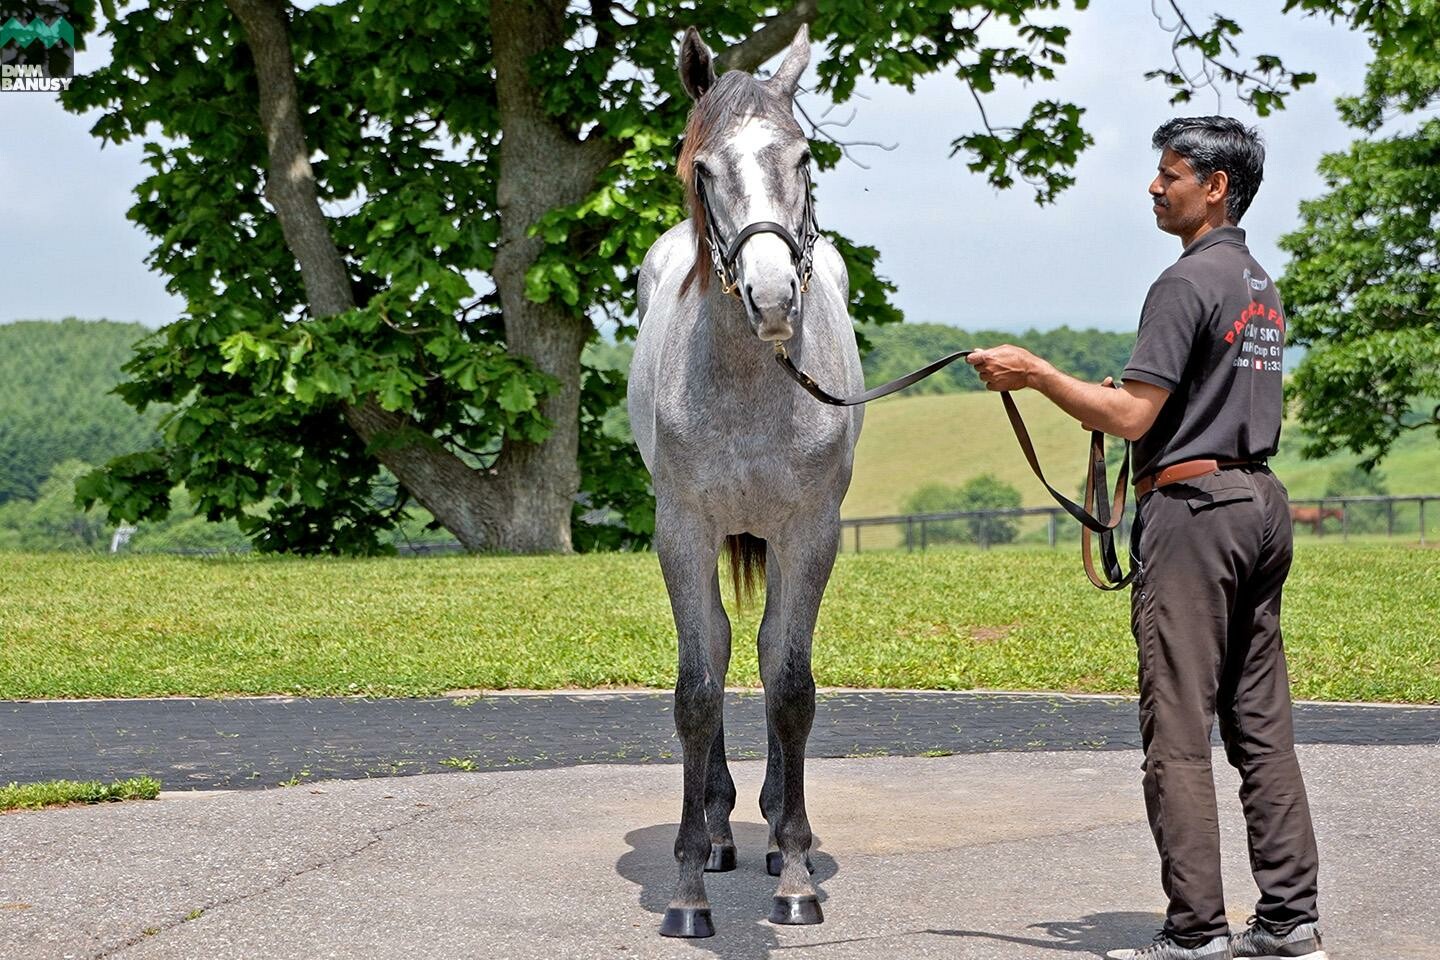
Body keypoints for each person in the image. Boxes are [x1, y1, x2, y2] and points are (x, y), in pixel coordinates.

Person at [966, 117, 1324, 960]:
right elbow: (1181, 398)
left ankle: (1195, 932)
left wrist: (1037, 376)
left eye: (1171, 176)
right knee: (1260, 723)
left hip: (1196, 516)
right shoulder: (1258, 283)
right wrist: (1123, 401)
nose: (1155, 189)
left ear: (1216, 187)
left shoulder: (1183, 280)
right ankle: (1288, 922)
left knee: (1177, 729)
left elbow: (1133, 417)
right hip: (1260, 504)